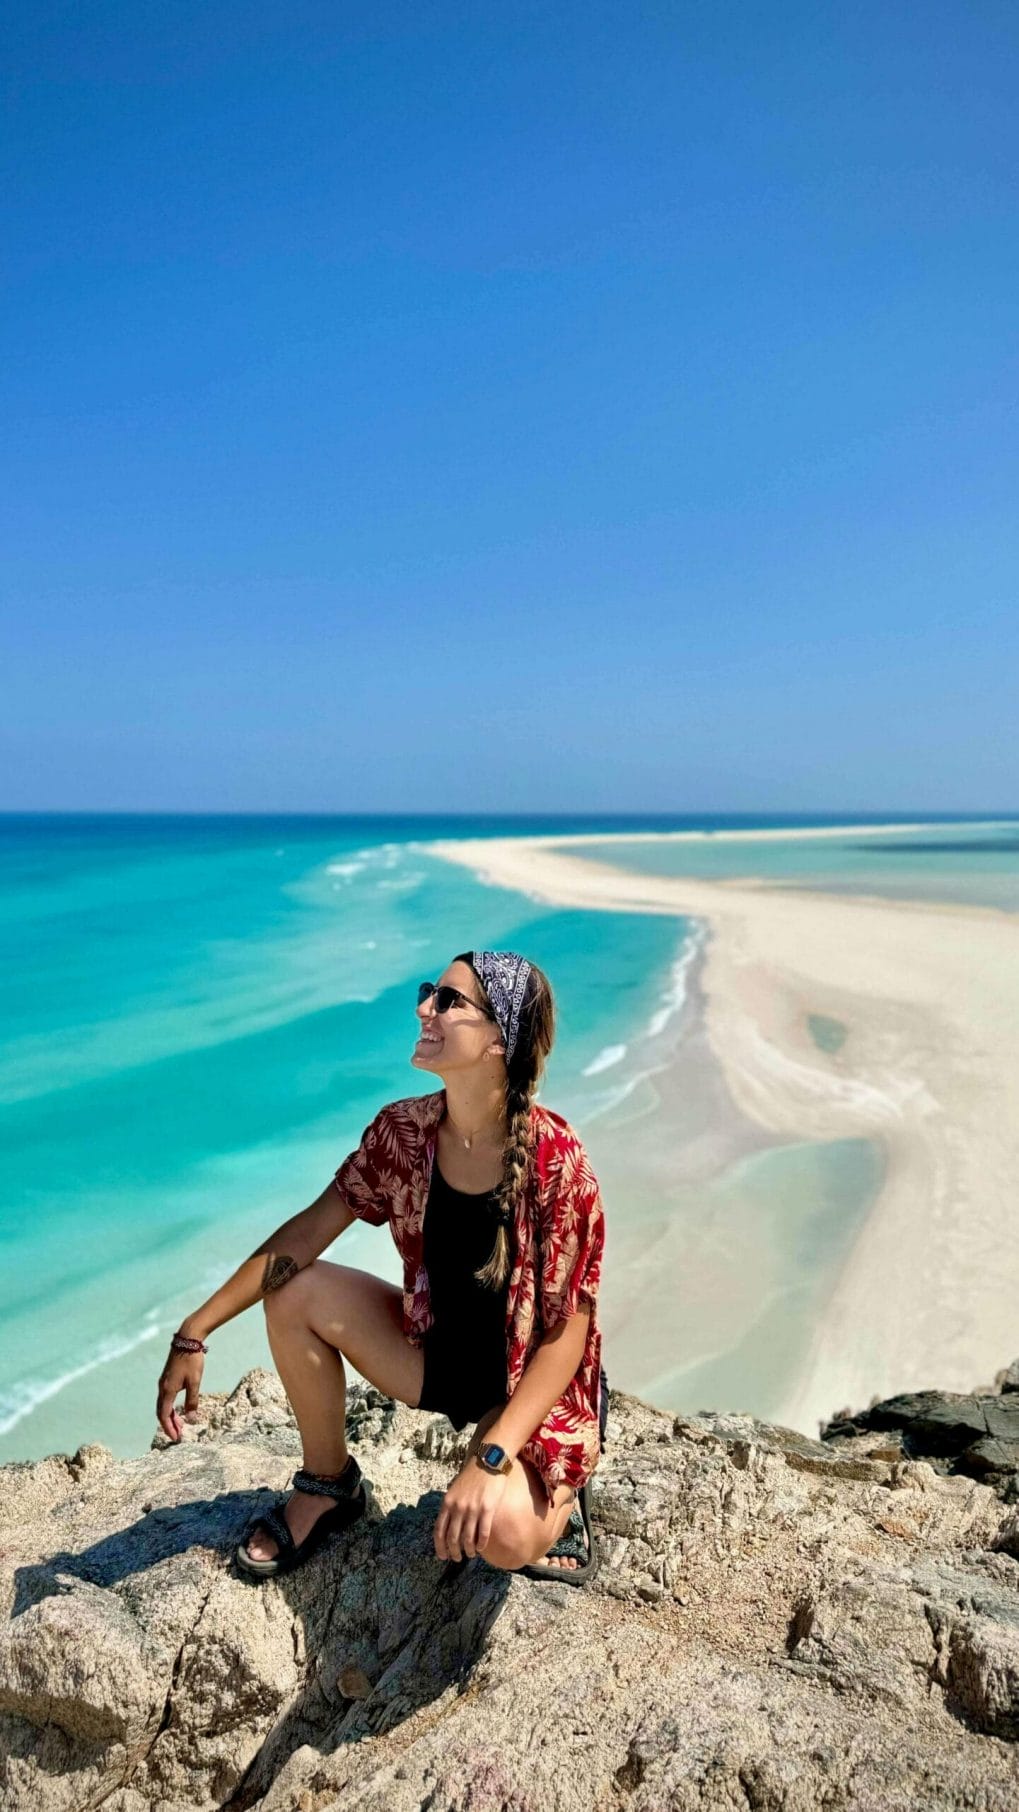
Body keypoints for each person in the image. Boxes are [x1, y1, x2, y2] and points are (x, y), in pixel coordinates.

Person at [156, 949, 606, 1586]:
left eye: (449, 1001)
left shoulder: (558, 1164)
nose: (424, 1008)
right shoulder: (402, 1132)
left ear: (498, 1039)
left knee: (501, 1538)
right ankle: (329, 1483)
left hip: (530, 1378)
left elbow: (567, 1334)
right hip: (433, 1357)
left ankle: (563, 1492)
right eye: (430, 992)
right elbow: (308, 1234)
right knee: (296, 1292)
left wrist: (494, 1455)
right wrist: (195, 1329)